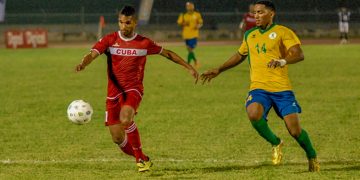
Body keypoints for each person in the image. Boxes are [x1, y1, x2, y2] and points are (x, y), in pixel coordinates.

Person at [75, 6, 198, 172]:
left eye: (127, 23)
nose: (124, 26)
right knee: (117, 138)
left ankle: (140, 160)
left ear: (135, 23)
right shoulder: (110, 40)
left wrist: (188, 67)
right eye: (121, 22)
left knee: (126, 118)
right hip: (113, 94)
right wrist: (84, 63)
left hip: (134, 90)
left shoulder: (144, 43)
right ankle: (143, 157)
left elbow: (167, 53)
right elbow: (93, 54)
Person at [201, 0, 320, 172]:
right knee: (253, 113)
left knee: (294, 131)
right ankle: (276, 142)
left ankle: (312, 155)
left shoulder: (283, 32)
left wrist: (282, 61)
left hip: (282, 89)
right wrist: (219, 69)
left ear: (271, 14)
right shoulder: (250, 34)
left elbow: (299, 54)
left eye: (260, 12)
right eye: (255, 12)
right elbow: (240, 55)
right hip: (259, 88)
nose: (256, 16)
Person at [177, 1, 203, 68]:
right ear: (186, 7)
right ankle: (195, 62)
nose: (189, 7)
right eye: (188, 6)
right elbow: (179, 23)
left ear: (193, 6)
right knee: (189, 50)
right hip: (186, 35)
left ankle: (187, 64)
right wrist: (184, 24)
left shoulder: (197, 14)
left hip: (194, 35)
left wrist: (198, 26)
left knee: (190, 49)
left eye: (191, 5)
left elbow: (200, 23)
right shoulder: (183, 15)